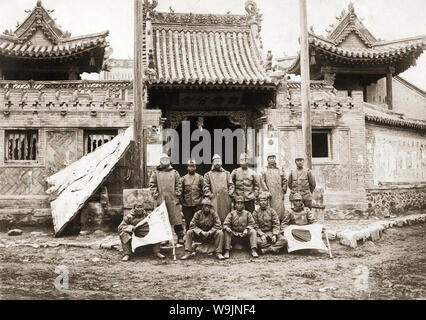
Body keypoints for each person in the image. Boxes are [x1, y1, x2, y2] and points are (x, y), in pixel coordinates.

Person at [149, 153, 185, 244]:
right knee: (163, 219)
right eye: (163, 159)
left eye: (166, 159)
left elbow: (179, 184)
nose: (165, 161)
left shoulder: (174, 172)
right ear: (160, 161)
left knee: (177, 219)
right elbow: (152, 185)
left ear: (169, 160)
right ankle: (164, 238)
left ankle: (180, 236)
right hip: (161, 199)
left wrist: (177, 194)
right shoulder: (156, 173)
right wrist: (156, 195)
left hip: (173, 199)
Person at [203, 154, 234, 223]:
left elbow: (231, 185)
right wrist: (210, 195)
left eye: (219, 161)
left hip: (225, 199)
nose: (217, 163)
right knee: (214, 217)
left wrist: (229, 194)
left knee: (226, 217)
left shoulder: (227, 173)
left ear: (221, 162)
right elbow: (205, 187)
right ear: (212, 162)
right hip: (214, 199)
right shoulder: (208, 175)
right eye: (215, 161)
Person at [260, 152, 287, 217]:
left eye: (273, 158)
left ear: (275, 159)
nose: (272, 159)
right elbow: (262, 181)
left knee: (280, 211)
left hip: (279, 194)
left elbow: (285, 180)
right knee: (269, 211)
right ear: (267, 159)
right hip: (269, 194)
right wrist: (266, 192)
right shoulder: (264, 170)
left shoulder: (280, 169)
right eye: (270, 158)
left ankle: (280, 223)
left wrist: (283, 190)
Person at [180, 159, 204, 232]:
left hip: (197, 205)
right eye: (190, 166)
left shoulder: (200, 178)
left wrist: (202, 201)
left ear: (195, 167)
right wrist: (182, 202)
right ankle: (188, 237)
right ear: (187, 167)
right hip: (186, 205)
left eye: (193, 166)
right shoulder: (183, 179)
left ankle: (197, 237)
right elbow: (180, 191)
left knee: (197, 221)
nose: (191, 168)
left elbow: (204, 190)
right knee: (188, 222)